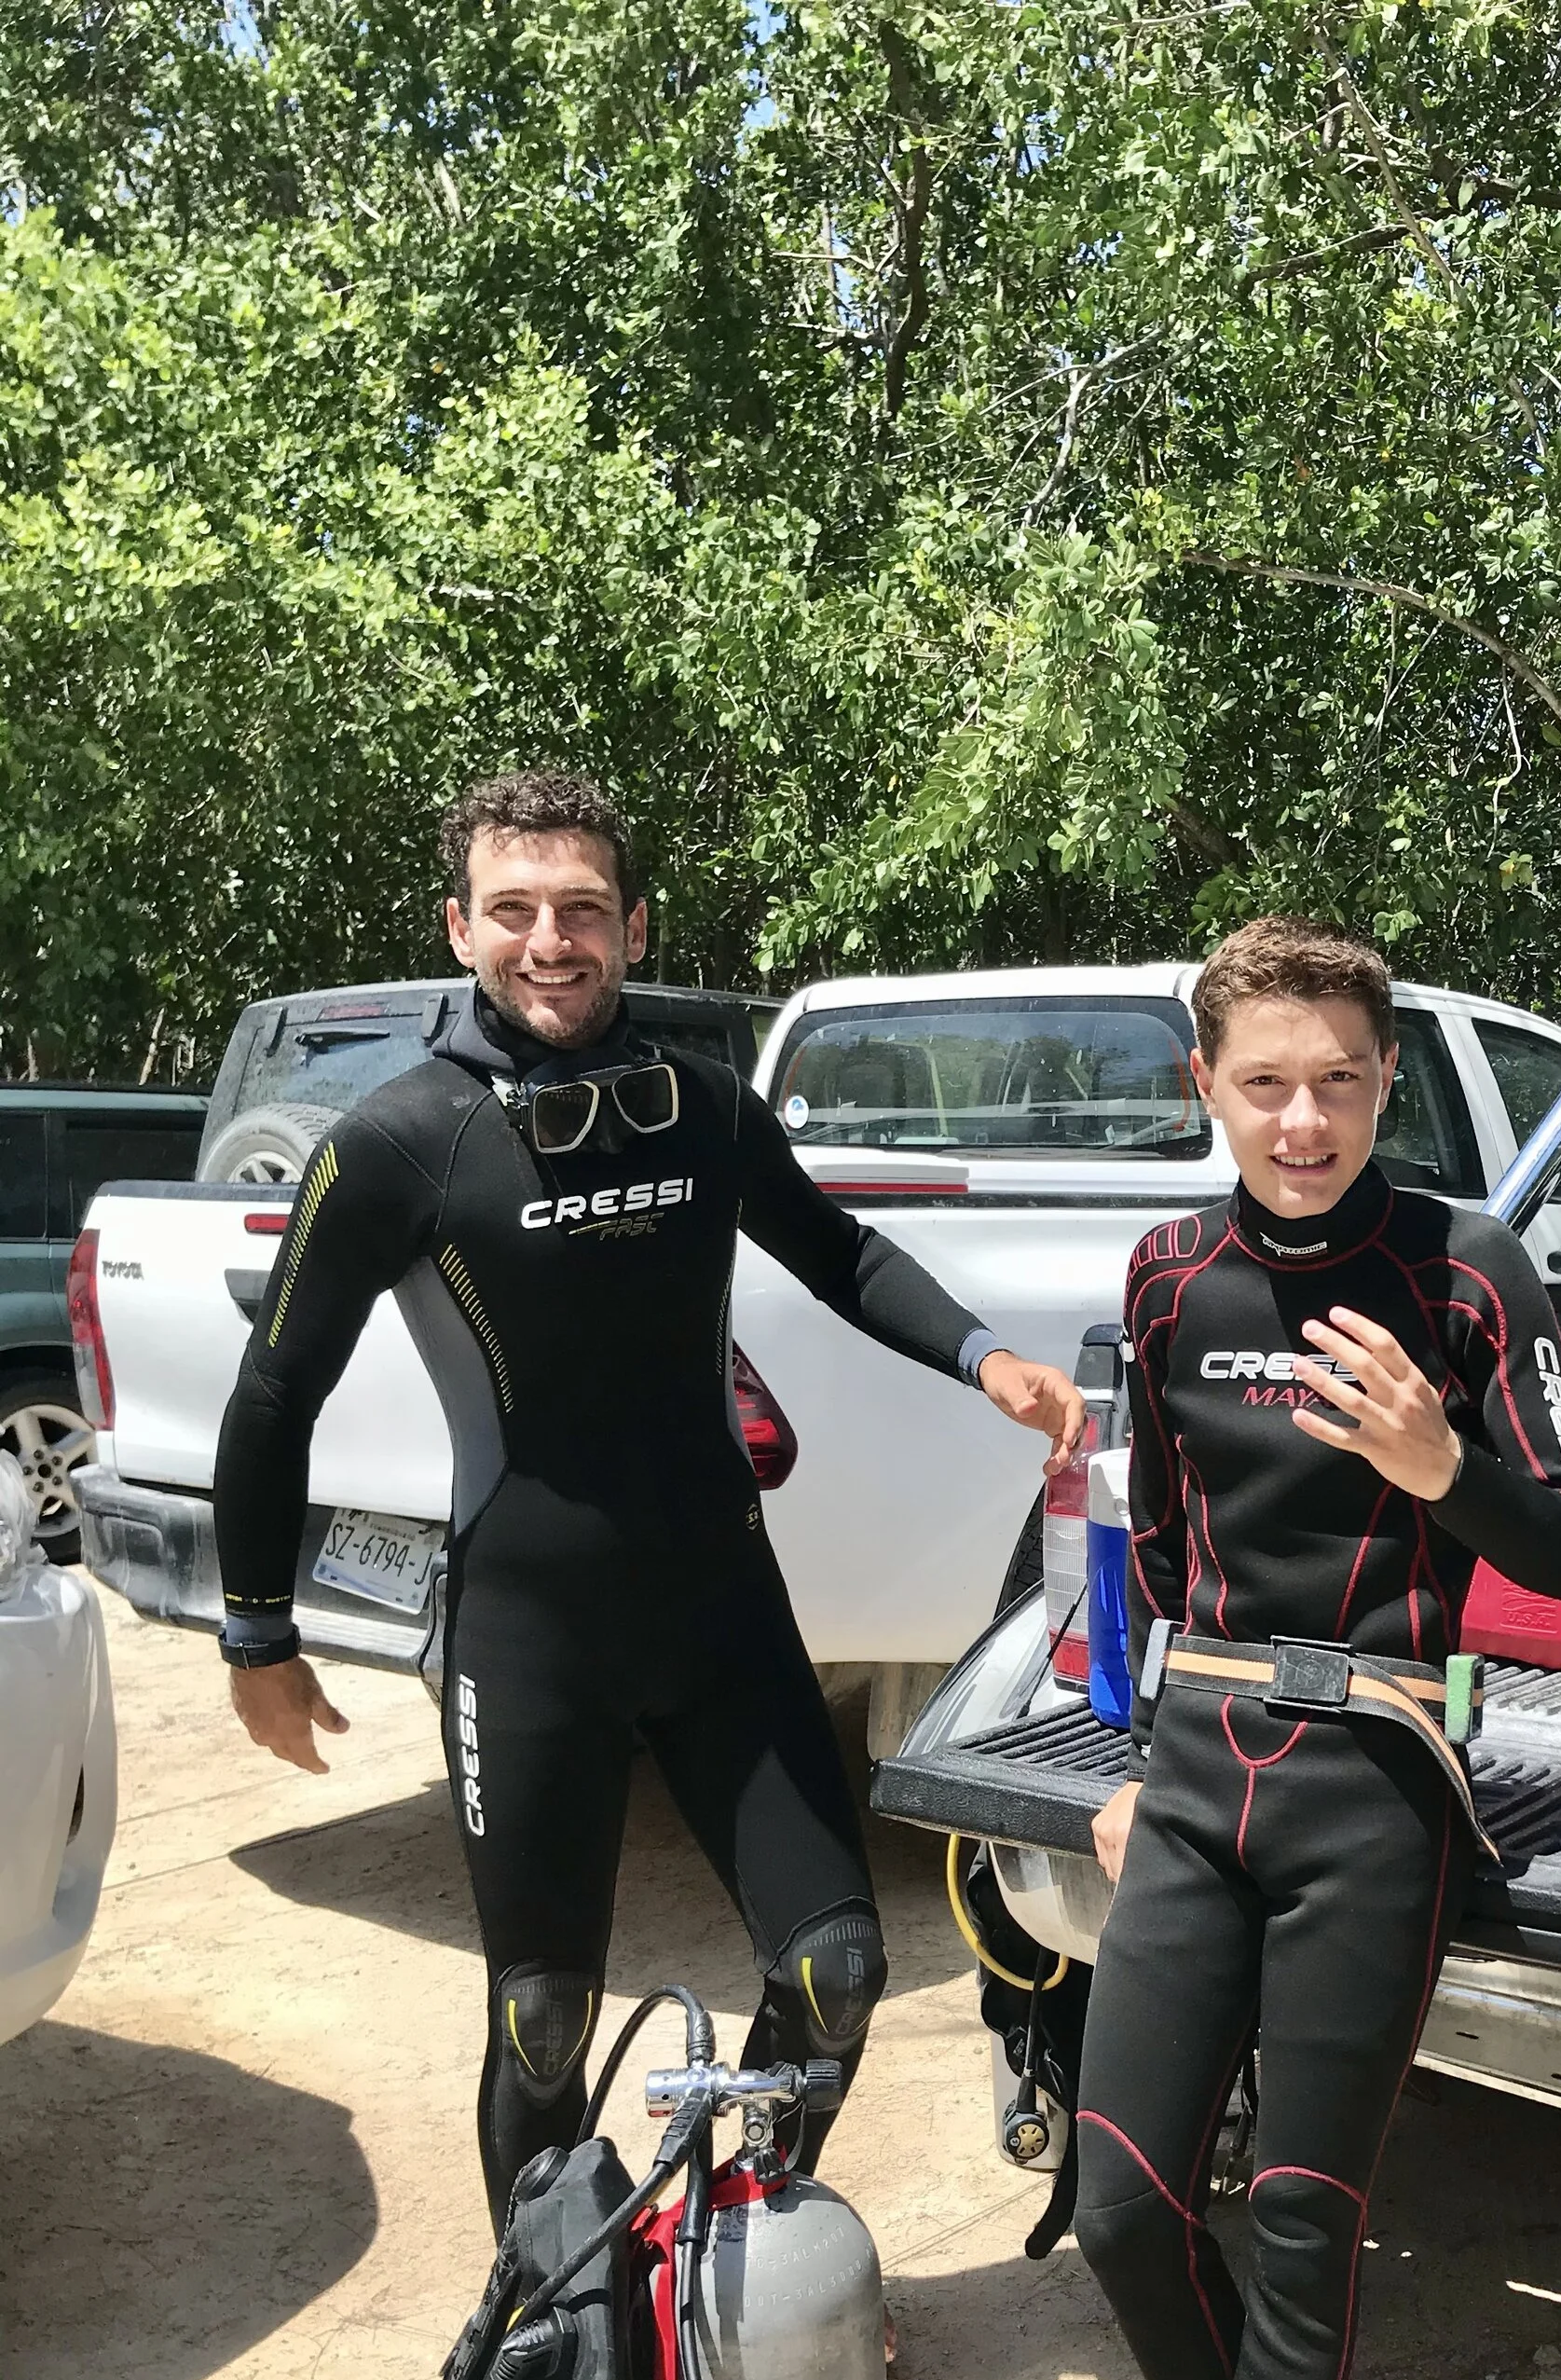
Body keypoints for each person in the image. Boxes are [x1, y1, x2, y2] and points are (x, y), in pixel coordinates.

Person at [216, 768, 1082, 2223]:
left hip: (719, 1617)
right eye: (514, 911)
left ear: (632, 925)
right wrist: (257, 1634)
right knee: (543, 2017)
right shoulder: (395, 1142)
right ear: (459, 928)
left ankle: (739, 2251)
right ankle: (546, 2308)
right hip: (528, 1632)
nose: (549, 941)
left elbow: (841, 1253)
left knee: (837, 1974)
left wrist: (987, 1361)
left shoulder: (702, 1109)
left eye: (582, 911)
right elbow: (273, 1391)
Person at [1072, 915, 1561, 2380]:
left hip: (1373, 1783)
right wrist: (1139, 1746)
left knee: (1297, 2223)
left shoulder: (1463, 1268)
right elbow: (1146, 1531)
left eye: (1336, 1082)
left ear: (1384, 1086)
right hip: (1199, 1766)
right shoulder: (1163, 1276)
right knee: (1124, 2198)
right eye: (1260, 1082)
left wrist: (1438, 1461)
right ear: (1201, 1090)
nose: (1299, 1119)